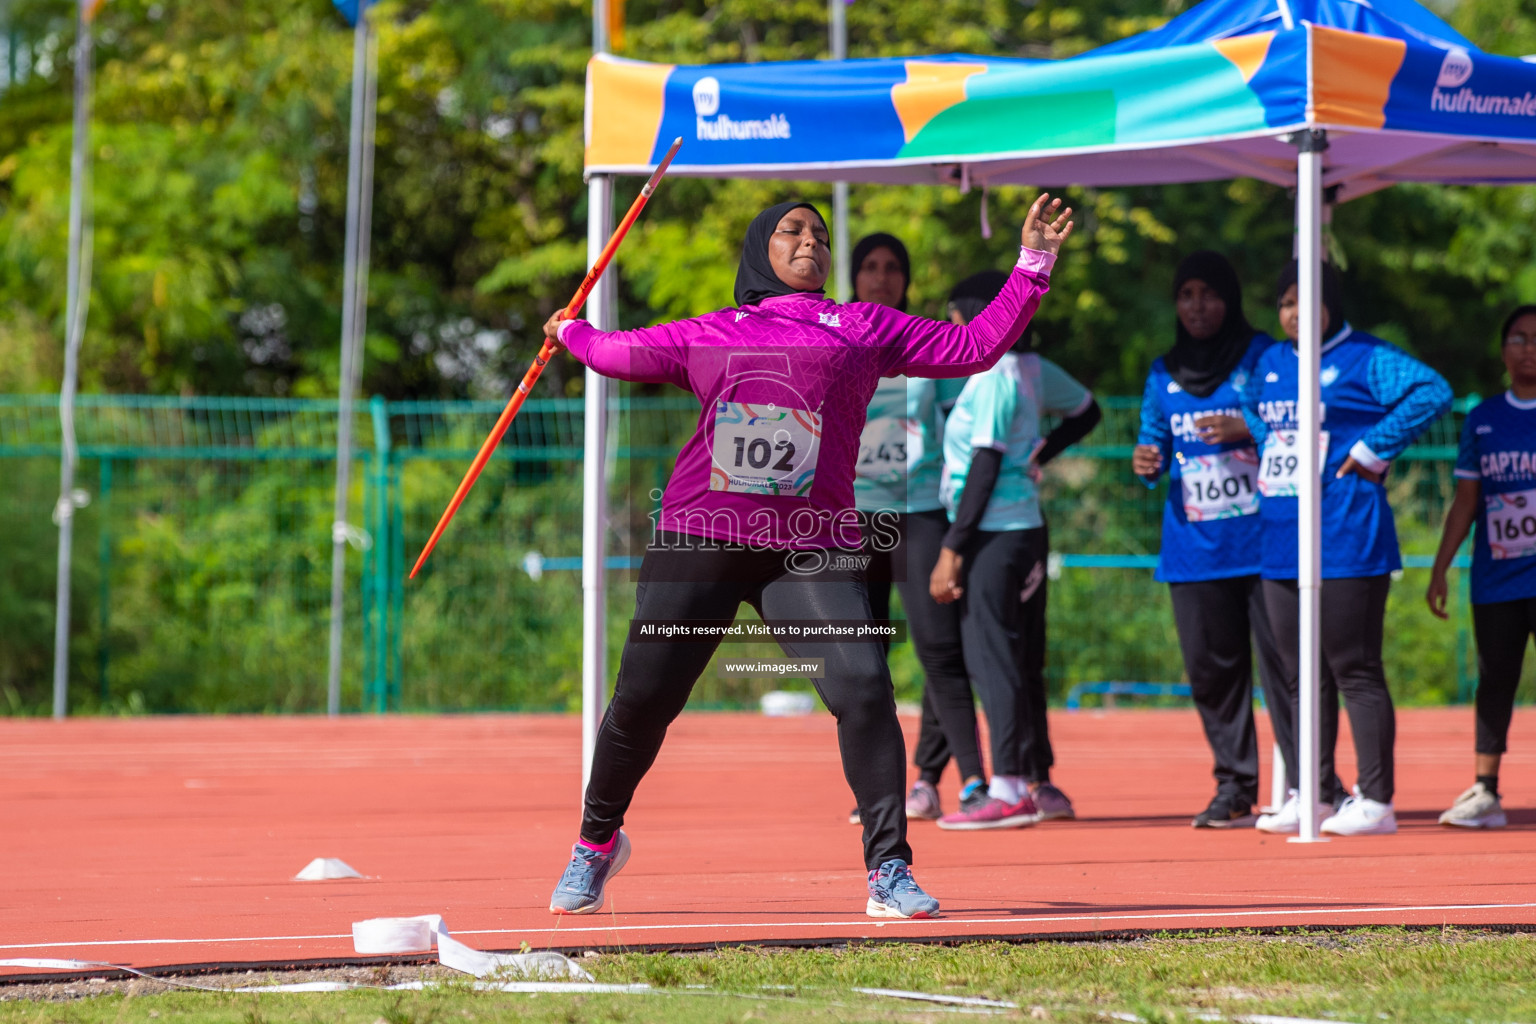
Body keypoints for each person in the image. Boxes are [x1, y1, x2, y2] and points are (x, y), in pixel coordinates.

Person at [542, 194, 1074, 917]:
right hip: (703, 533)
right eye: (793, 230)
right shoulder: (713, 331)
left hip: (808, 548)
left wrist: (1032, 265)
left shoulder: (861, 326)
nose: (810, 241)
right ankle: (595, 842)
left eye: (820, 234)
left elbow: (974, 346)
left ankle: (889, 870)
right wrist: (571, 332)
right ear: (761, 247)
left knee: (863, 688)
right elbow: (616, 352)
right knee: (642, 699)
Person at [1243, 261, 1452, 837]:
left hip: (1347, 535)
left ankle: (1377, 800)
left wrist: (1370, 449)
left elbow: (1433, 391)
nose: (1293, 315)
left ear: (1331, 304)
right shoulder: (1272, 361)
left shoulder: (1364, 357)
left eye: (1306, 303)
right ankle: (1314, 791)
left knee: (1353, 667)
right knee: (1295, 672)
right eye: (1285, 303)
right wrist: (1272, 446)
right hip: (1282, 535)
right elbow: (1250, 409)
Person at [928, 271, 1101, 829]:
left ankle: (1007, 786)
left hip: (1000, 533)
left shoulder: (999, 374)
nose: (953, 325)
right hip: (1008, 529)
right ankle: (1027, 778)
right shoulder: (1003, 372)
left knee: (993, 655)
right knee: (1006, 655)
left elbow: (985, 464)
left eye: (958, 314)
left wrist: (953, 546)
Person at [1132, 251, 1289, 830]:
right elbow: (1152, 443)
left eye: (1210, 294)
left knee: (1285, 668)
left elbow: (1296, 418)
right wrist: (1146, 460)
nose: (1198, 306)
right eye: (1187, 295)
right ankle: (1235, 785)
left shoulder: (1264, 355)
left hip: (1266, 542)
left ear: (1231, 298)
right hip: (1194, 549)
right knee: (1213, 675)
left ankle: (1309, 780)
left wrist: (1247, 426)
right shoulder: (1162, 371)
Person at [848, 233, 986, 827]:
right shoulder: (835, 340)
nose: (881, 277)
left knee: (938, 648)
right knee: (862, 659)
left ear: (905, 280)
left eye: (892, 268)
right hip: (852, 515)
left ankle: (968, 782)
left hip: (921, 512)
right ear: (854, 277)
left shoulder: (923, 342)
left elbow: (974, 410)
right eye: (870, 267)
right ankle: (880, 792)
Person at [1426, 304, 1536, 829]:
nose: (1528, 348)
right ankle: (1485, 791)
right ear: (1503, 350)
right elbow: (1466, 501)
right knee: (1495, 679)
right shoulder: (1485, 418)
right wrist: (1440, 567)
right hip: (1497, 579)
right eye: (1518, 338)